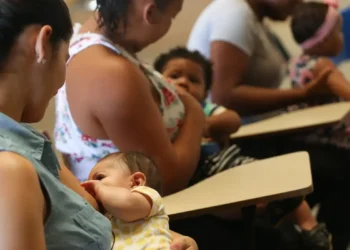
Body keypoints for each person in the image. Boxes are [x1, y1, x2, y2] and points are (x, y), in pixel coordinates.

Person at [0, 0, 197, 249]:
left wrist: (162, 237)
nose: (63, 81)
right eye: (65, 57)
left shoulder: (30, 140)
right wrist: (196, 117)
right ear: (41, 45)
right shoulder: (11, 169)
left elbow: (97, 213)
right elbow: (170, 174)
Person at [188, 0, 350, 249]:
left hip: (268, 136)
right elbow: (224, 97)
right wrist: (304, 94)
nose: (298, 4)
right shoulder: (235, 15)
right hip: (241, 145)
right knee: (342, 168)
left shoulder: (256, 21)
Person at [154, 47, 332, 250]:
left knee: (278, 179)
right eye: (174, 76)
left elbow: (233, 119)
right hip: (197, 175)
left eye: (194, 80)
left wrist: (205, 124)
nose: (183, 82)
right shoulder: (161, 112)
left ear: (205, 91)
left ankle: (309, 226)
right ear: (158, 82)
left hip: (224, 160)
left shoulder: (204, 107)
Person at [82, 152, 172, 250]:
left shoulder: (148, 196)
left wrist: (99, 188)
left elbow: (124, 204)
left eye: (99, 178)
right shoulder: (108, 215)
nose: (92, 184)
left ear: (136, 182)